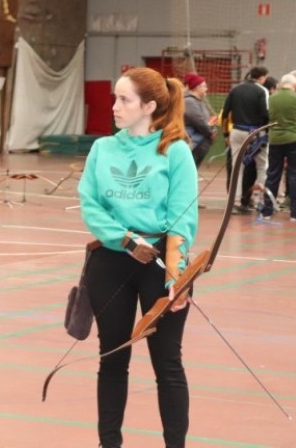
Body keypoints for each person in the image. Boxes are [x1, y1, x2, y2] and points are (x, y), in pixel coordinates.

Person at [78, 67, 197, 448]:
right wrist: (125, 240)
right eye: (115, 97)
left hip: (160, 267)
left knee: (168, 364)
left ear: (148, 106)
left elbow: (183, 217)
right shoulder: (103, 149)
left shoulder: (174, 150)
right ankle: (108, 443)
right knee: (112, 359)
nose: (114, 106)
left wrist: (176, 276)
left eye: (124, 100)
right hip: (112, 263)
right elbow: (90, 205)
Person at [221, 66, 270, 213]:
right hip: (255, 132)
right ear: (262, 77)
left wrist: (225, 135)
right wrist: (265, 133)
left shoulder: (236, 89)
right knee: (262, 166)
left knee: (237, 168)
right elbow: (265, 114)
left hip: (236, 131)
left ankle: (234, 202)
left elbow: (225, 114)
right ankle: (261, 200)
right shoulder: (262, 91)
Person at [260, 73, 296, 222]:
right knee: (294, 174)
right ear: (295, 84)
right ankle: (295, 213)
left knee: (273, 173)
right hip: (295, 138)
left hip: (275, 139)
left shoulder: (272, 98)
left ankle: (267, 211)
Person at [182, 73, 216, 167]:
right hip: (195, 142)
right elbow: (199, 121)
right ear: (197, 87)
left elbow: (204, 119)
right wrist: (210, 132)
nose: (206, 89)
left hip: (200, 141)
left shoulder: (197, 101)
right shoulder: (189, 101)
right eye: (204, 86)